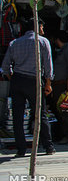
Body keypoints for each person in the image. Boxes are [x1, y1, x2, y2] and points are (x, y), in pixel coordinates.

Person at [1, 18, 55, 157]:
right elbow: (48, 65)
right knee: (40, 114)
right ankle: (48, 146)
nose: (43, 30)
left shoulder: (15, 43)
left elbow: (5, 67)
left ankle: (21, 149)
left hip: (17, 80)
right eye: (42, 27)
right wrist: (48, 83)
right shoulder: (43, 42)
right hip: (34, 81)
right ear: (38, 26)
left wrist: (13, 78)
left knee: (17, 116)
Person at [50, 30, 68, 144]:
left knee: (65, 109)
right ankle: (60, 134)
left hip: (64, 85)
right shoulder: (62, 51)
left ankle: (66, 135)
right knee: (58, 109)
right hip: (57, 84)